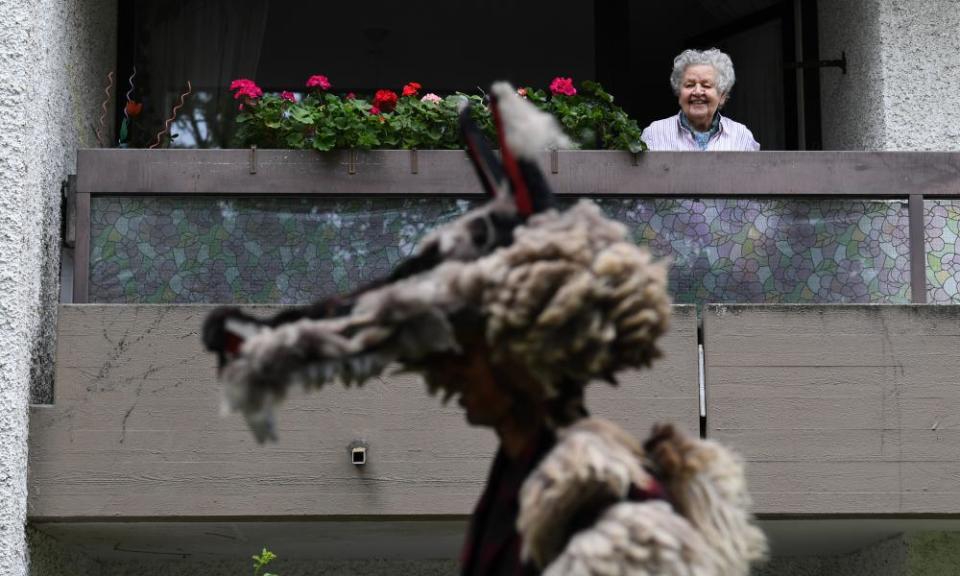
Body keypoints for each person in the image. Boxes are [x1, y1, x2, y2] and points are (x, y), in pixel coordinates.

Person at [203, 82, 766, 575]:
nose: (446, 370)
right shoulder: (523, 478)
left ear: (527, 352)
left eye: (467, 348)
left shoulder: (613, 520)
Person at [642, 48, 760, 151]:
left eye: (706, 85)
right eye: (689, 85)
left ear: (722, 96)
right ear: (679, 93)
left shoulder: (741, 136)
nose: (697, 92)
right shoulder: (655, 133)